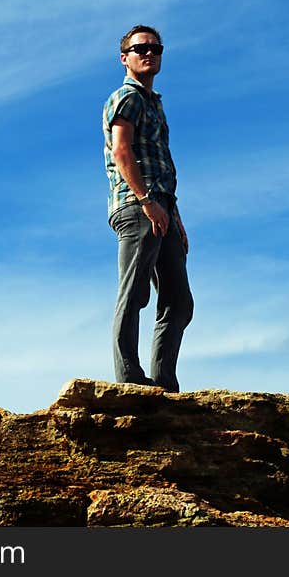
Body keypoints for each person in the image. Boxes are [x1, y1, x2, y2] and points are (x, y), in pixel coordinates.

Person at [102, 24, 194, 393]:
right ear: (125, 58)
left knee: (179, 300)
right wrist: (145, 201)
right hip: (137, 206)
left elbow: (161, 164)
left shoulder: (154, 103)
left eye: (156, 48)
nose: (149, 53)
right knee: (134, 291)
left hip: (162, 207)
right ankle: (128, 378)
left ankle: (164, 383)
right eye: (141, 49)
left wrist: (174, 216)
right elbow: (122, 152)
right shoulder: (127, 98)